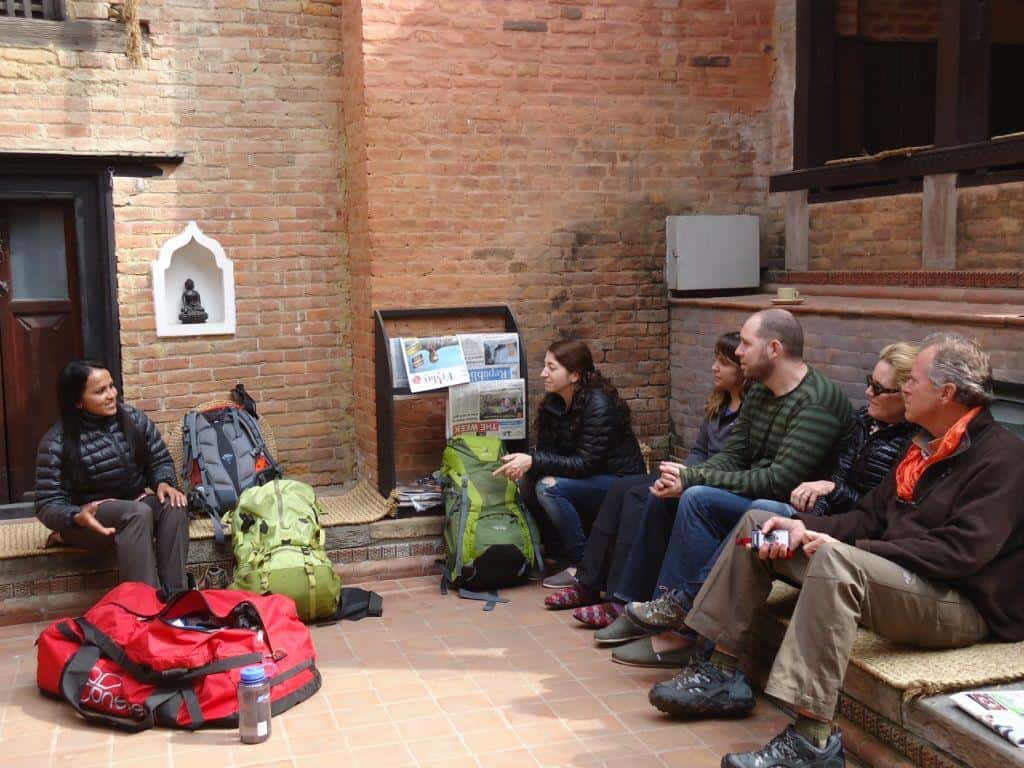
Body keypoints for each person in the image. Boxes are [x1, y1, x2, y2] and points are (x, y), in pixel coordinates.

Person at [654, 333, 1024, 768]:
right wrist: (803, 526)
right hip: (903, 575)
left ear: (946, 393)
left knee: (835, 561)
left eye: (914, 381)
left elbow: (961, 552)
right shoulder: (922, 446)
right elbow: (865, 517)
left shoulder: (1003, 458)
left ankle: (812, 739)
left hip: (960, 602)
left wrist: (857, 549)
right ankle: (720, 670)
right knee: (760, 527)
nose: (905, 387)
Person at [615, 341, 919, 667]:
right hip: (814, 515)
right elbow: (741, 457)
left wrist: (833, 490)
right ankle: (657, 610)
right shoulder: (861, 421)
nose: (869, 392)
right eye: (868, 382)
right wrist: (693, 476)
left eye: (879, 388)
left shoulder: (909, 441)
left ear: (907, 394)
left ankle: (686, 616)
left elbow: (876, 512)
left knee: (762, 517)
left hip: (832, 532)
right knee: (697, 499)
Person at [602, 309, 854, 667]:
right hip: (762, 504)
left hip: (799, 519)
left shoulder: (816, 401)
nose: (738, 352)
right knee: (665, 495)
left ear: (774, 349)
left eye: (747, 345)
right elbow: (735, 455)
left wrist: (695, 480)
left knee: (698, 498)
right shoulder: (761, 393)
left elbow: (779, 481)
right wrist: (687, 473)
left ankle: (681, 630)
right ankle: (645, 608)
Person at [542, 331, 747, 628]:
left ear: (743, 369)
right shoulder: (719, 403)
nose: (714, 367)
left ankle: (620, 598)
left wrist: (686, 478)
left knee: (644, 495)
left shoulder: (750, 412)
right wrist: (679, 472)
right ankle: (588, 582)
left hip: (714, 486)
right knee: (623, 489)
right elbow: (700, 450)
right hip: (694, 477)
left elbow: (736, 463)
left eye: (724, 363)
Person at [493, 339, 645, 588]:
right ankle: (556, 554)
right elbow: (547, 453)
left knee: (549, 488)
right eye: (545, 366)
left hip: (618, 481)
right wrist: (526, 465)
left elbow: (585, 463)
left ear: (574, 375)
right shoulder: (553, 402)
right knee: (526, 481)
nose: (543, 374)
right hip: (587, 476)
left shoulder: (599, 405)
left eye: (551, 368)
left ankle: (582, 566)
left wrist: (533, 460)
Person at [34, 360, 190, 592]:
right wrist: (76, 516)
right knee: (137, 513)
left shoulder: (134, 419)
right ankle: (143, 605)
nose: (111, 395)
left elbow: (158, 460)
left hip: (135, 506)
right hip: (90, 520)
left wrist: (164, 481)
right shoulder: (56, 442)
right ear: (78, 401)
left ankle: (177, 597)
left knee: (173, 504)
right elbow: (47, 505)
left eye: (111, 386)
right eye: (100, 391)